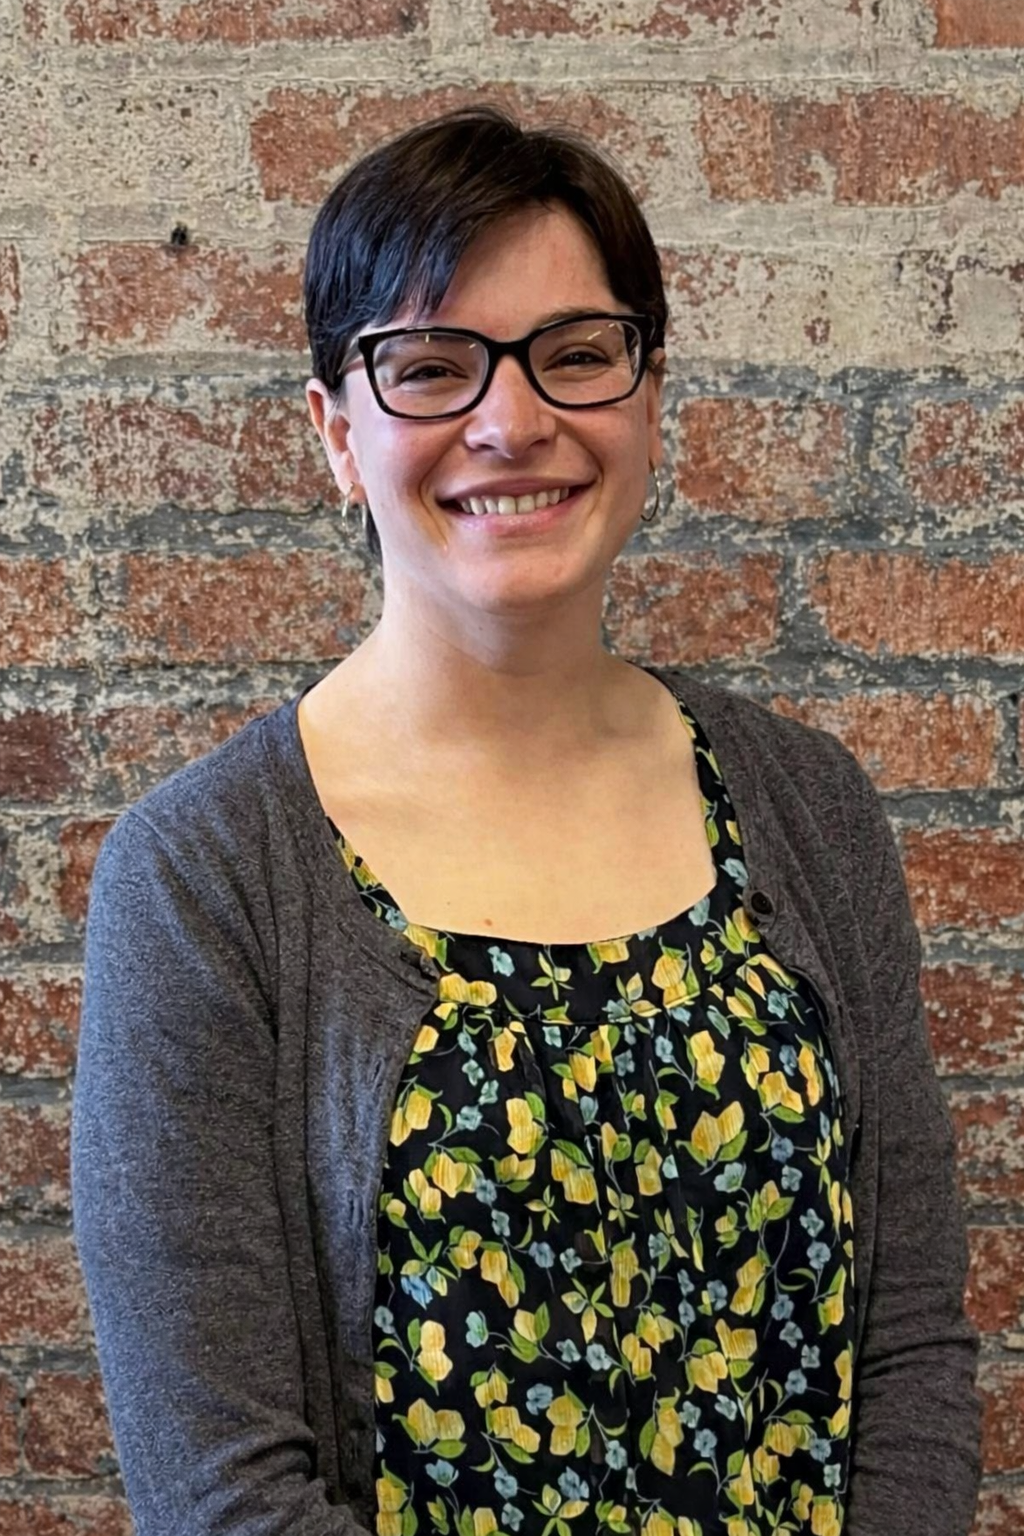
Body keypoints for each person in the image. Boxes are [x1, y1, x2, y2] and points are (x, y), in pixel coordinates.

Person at [71, 105, 982, 1536]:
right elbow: (220, 1488)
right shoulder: (204, 878)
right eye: (431, 367)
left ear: (648, 393)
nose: (513, 420)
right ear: (334, 431)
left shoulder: (811, 810)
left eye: (575, 354)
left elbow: (915, 1349)